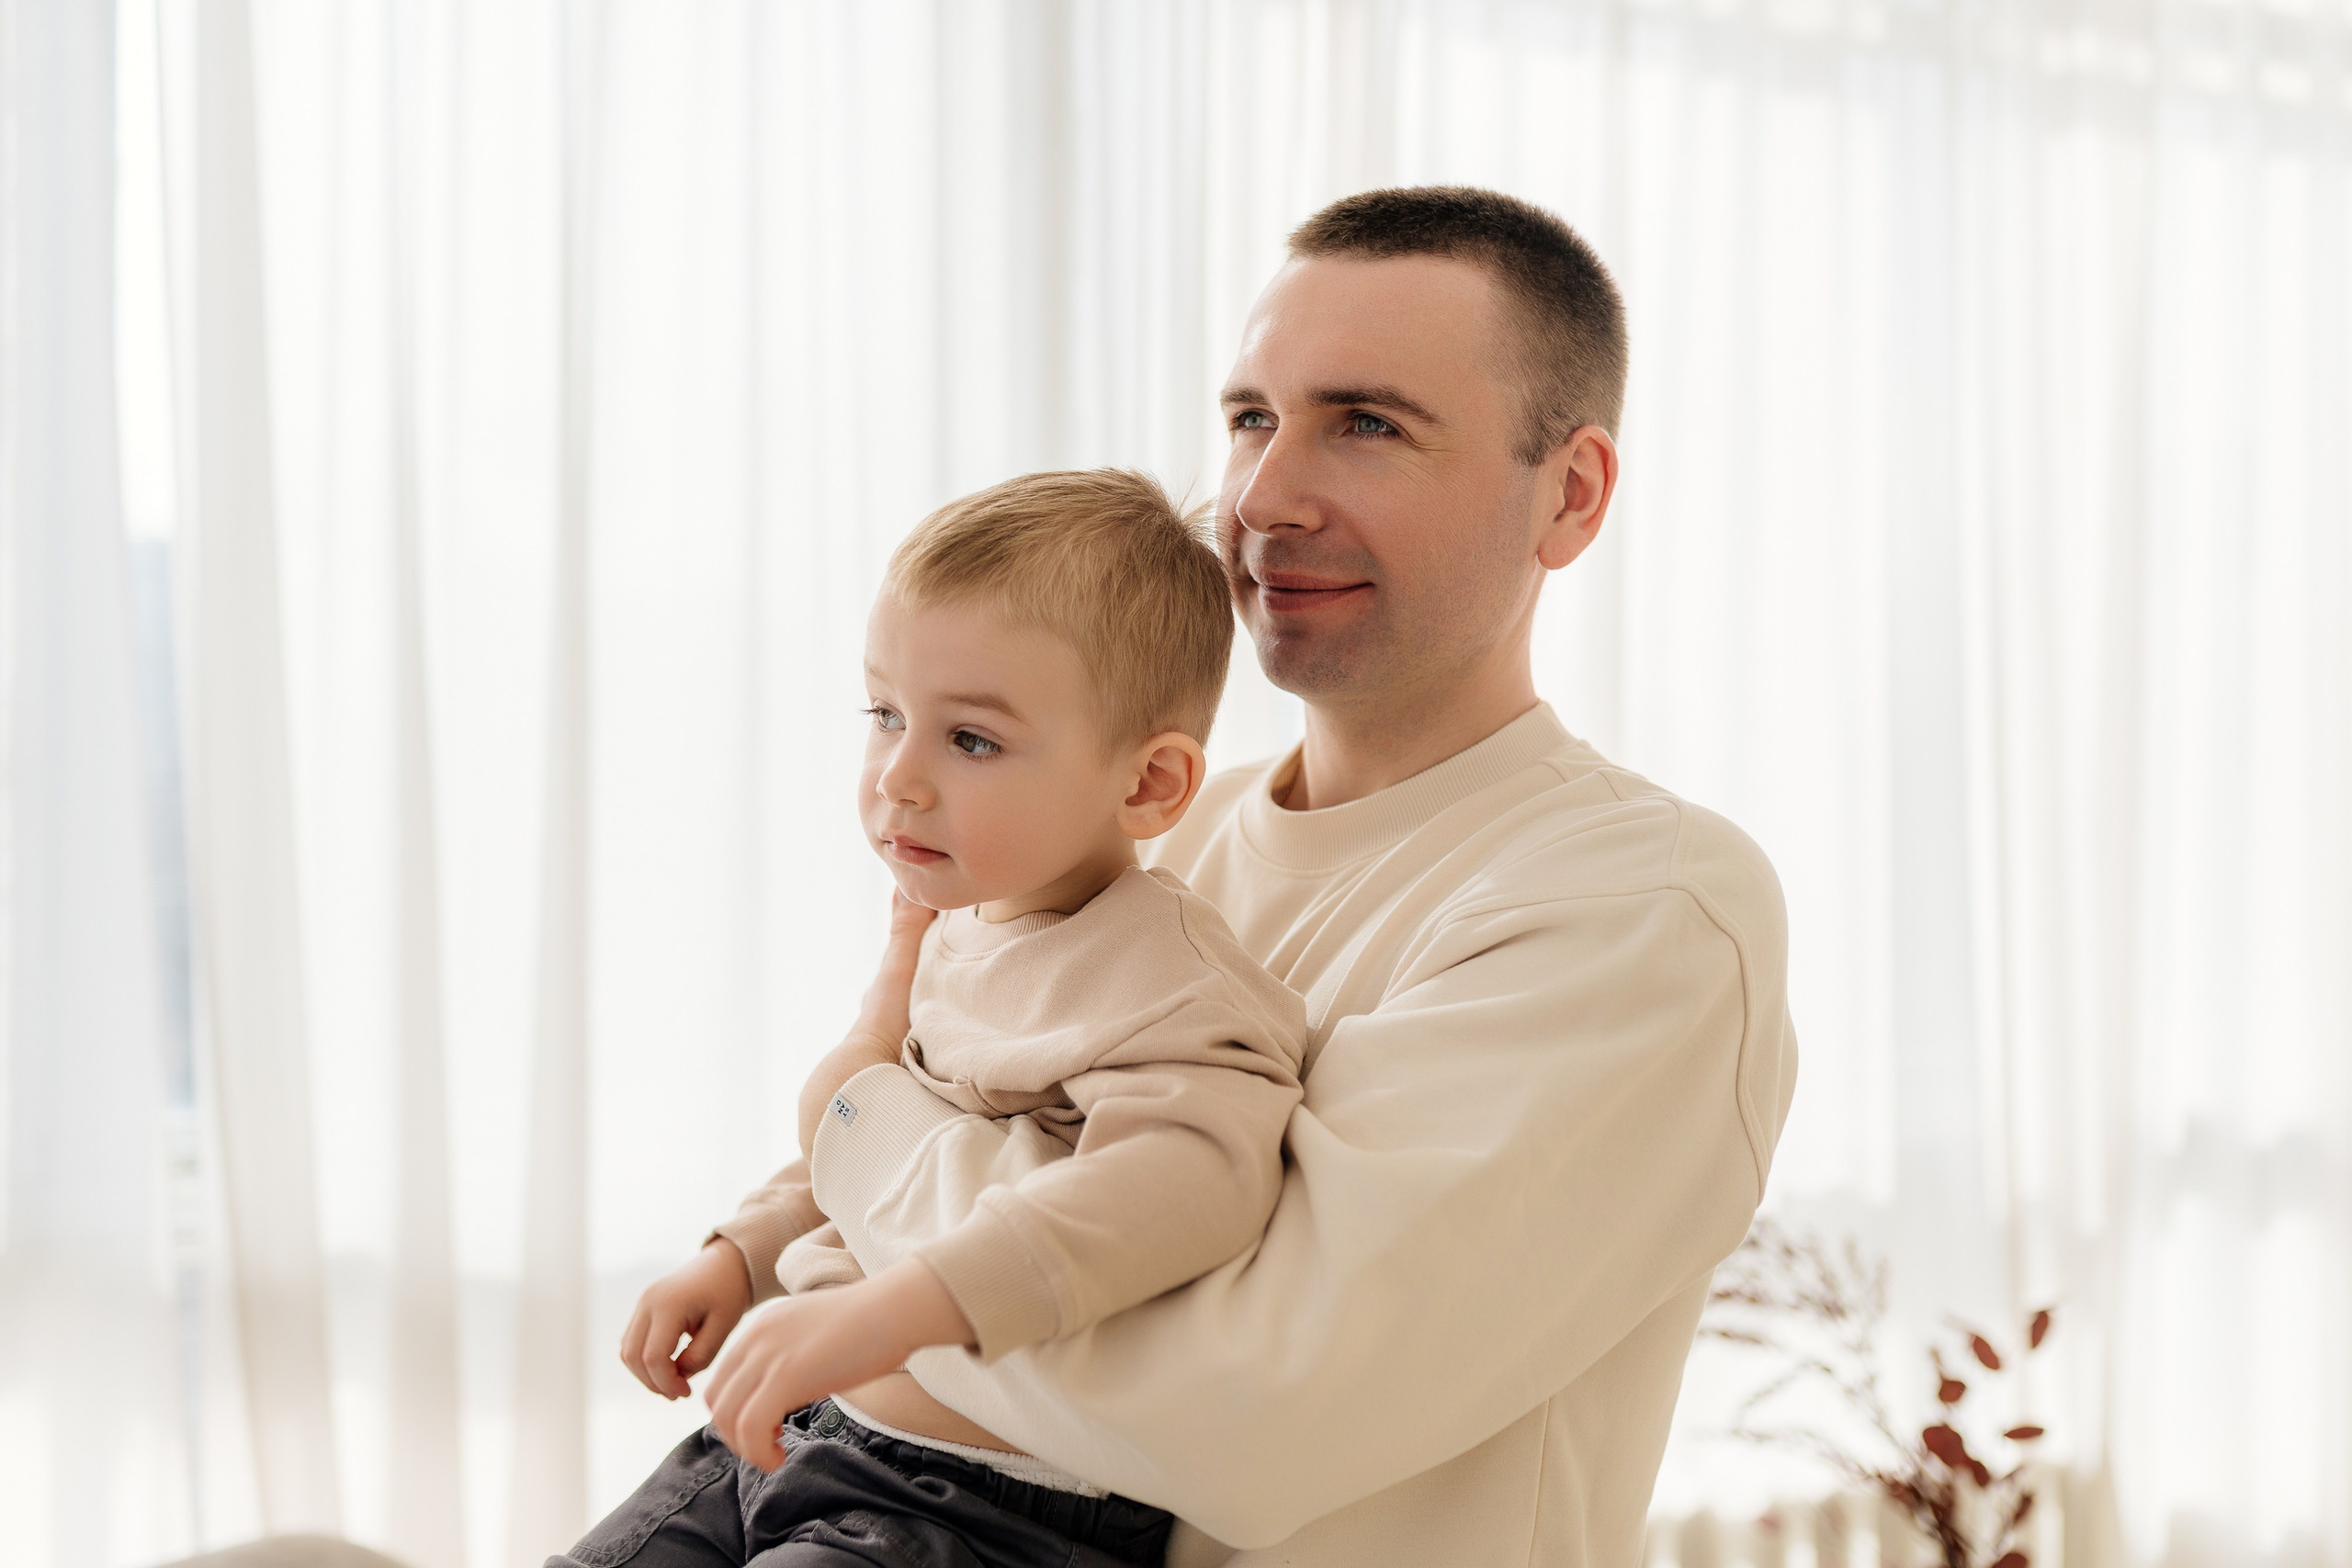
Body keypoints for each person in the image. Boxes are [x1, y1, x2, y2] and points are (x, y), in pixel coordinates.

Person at [623, 185, 1797, 1568]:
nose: (1261, 496)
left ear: (1572, 492)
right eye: (1251, 418)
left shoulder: (1643, 907)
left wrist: (861, 1124)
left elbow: (1230, 1405)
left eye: (1367, 423)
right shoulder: (1151, 833)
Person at [569, 470, 1308, 1567]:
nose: (898, 779)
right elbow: (881, 1143)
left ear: (1150, 785)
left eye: (970, 741)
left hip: (971, 1505)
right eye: (886, 716)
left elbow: (1184, 1186)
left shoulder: (1167, 974)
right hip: (794, 1439)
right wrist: (743, 1256)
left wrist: (888, 1314)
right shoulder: (955, 929)